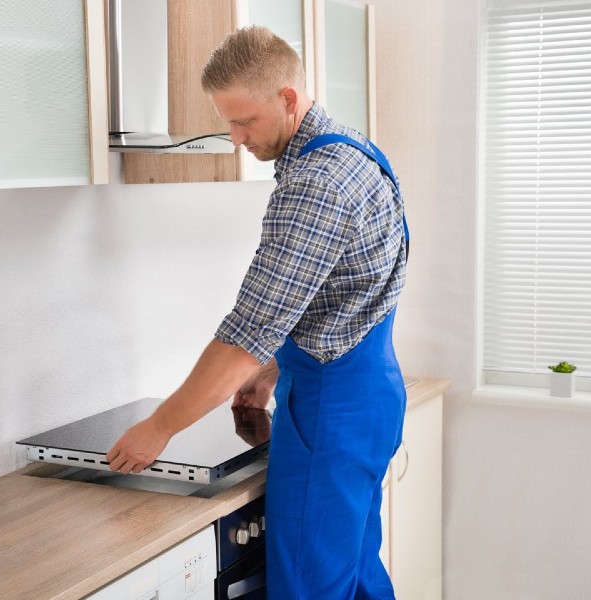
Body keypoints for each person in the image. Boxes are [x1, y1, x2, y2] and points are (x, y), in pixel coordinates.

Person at [107, 25, 408, 600]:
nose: (235, 136)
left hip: (332, 413)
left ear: (288, 99)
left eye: (244, 120)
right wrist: (272, 369)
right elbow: (344, 294)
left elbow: (246, 331)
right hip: (365, 395)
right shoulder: (351, 149)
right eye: (227, 121)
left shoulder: (317, 183)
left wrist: (160, 427)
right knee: (355, 576)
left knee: (311, 589)